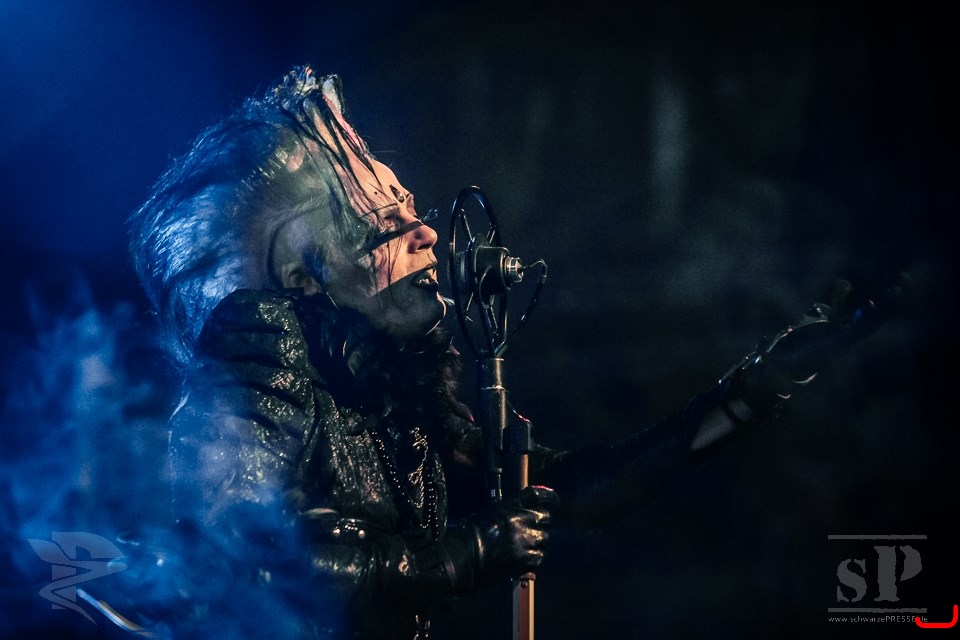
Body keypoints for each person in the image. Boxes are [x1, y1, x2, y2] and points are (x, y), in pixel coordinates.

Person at [92, 65, 899, 639]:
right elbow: (238, 551)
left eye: (411, 210)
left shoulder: (397, 395)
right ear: (303, 275)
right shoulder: (259, 342)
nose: (427, 234)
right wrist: (464, 552)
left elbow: (561, 494)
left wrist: (752, 390)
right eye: (382, 223)